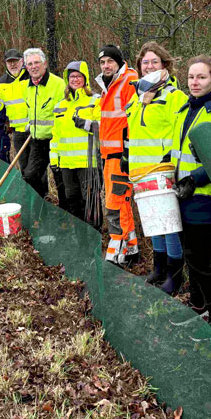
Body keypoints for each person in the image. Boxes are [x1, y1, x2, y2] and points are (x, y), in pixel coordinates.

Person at [168, 55, 211, 337]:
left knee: (199, 260)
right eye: (191, 78)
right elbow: (176, 150)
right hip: (180, 195)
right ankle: (198, 307)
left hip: (206, 197)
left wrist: (193, 180)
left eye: (201, 78)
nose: (195, 82)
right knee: (189, 255)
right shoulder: (185, 110)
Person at [123, 41, 187, 291]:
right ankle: (158, 269)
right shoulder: (138, 98)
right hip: (140, 173)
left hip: (162, 170)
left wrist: (170, 159)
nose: (149, 66)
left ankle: (175, 275)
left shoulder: (173, 96)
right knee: (153, 224)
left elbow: (181, 131)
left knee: (169, 226)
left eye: (154, 62)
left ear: (164, 65)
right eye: (145, 62)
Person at [94, 45, 140, 268]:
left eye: (110, 61)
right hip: (110, 155)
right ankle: (132, 249)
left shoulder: (128, 81)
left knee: (115, 203)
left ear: (119, 62)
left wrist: (128, 153)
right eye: (102, 62)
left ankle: (115, 251)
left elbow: (133, 119)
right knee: (121, 202)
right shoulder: (108, 85)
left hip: (121, 156)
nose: (106, 66)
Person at [49, 61, 102, 227]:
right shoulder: (60, 106)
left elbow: (103, 128)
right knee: (72, 199)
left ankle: (94, 235)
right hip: (66, 163)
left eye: (79, 76)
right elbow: (55, 136)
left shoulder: (96, 100)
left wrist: (85, 123)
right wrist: (54, 160)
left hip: (88, 161)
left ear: (85, 79)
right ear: (67, 79)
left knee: (90, 200)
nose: (75, 79)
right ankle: (79, 234)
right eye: (72, 76)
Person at [21, 48, 67, 209]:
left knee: (60, 179)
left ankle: (64, 212)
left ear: (45, 64)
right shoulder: (27, 87)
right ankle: (41, 206)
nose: (33, 67)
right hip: (37, 141)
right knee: (30, 175)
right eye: (30, 64)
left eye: (36, 63)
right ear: (26, 67)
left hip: (56, 142)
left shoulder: (59, 84)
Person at [0, 48, 30, 162]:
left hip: (34, 130)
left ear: (22, 61)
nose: (13, 65)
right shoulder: (2, 82)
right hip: (17, 132)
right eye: (9, 62)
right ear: (6, 64)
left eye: (15, 61)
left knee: (37, 170)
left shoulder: (31, 77)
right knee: (24, 167)